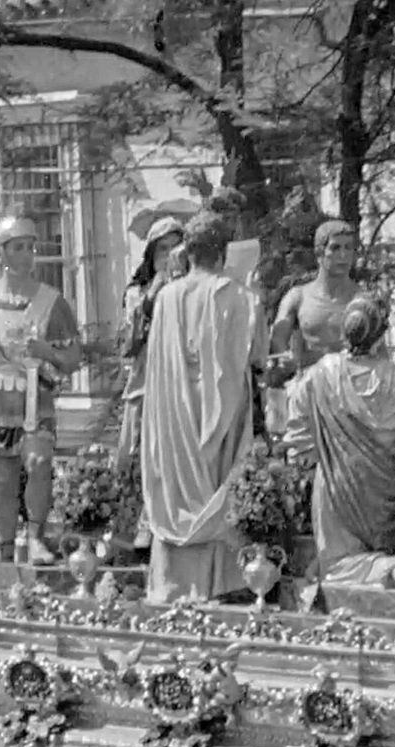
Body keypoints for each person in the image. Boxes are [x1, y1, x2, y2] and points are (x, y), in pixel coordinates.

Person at [139, 212, 269, 604]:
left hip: (175, 411)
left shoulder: (166, 297)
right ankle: (223, 581)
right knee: (220, 480)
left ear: (188, 251)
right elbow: (258, 355)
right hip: (222, 415)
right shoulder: (241, 296)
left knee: (180, 486)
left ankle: (174, 583)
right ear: (223, 251)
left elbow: (155, 366)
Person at [284, 292, 395, 590]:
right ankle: (392, 567)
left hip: (335, 484)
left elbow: (296, 429)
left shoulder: (321, 374)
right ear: (381, 335)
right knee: (370, 555)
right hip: (386, 494)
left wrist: (316, 455)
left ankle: (388, 569)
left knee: (336, 566)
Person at [0, 216, 82, 565]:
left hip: (36, 397)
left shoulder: (52, 302)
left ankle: (36, 537)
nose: (27, 254)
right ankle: (7, 554)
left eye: (30, 247)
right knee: (2, 480)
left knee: (39, 462)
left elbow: (73, 358)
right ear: (1, 253)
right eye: (18, 247)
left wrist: (48, 352)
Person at [117, 218, 187, 555]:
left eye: (176, 248)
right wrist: (156, 290)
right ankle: (139, 526)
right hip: (146, 383)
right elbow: (129, 343)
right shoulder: (137, 292)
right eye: (163, 249)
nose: (170, 255)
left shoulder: (191, 290)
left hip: (180, 385)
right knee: (139, 456)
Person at [270, 221, 362, 375]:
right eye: (335, 248)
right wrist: (286, 359)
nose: (343, 255)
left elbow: (379, 352)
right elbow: (278, 339)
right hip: (309, 381)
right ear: (319, 253)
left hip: (351, 381)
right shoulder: (298, 297)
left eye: (348, 247)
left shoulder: (362, 299)